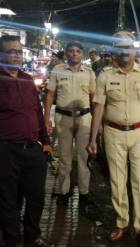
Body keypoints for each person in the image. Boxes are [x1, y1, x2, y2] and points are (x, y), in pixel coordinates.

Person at [87, 31, 140, 247]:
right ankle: (121, 222)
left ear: (134, 50)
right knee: (117, 180)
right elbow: (99, 107)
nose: (124, 52)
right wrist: (93, 139)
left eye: (128, 48)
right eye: (120, 48)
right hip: (113, 133)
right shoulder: (105, 75)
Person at [0, 35, 53, 247]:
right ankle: (12, 240)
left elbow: (37, 112)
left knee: (37, 197)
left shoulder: (27, 79)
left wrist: (46, 141)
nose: (15, 56)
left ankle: (32, 237)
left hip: (32, 148)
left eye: (18, 52)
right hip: (6, 149)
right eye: (10, 51)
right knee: (8, 200)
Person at [44, 41, 96, 207]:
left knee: (84, 157)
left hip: (84, 118)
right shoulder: (58, 70)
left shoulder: (89, 72)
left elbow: (94, 99)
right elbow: (50, 95)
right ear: (66, 54)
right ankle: (64, 191)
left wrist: (97, 122)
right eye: (71, 51)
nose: (74, 54)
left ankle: (84, 193)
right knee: (65, 158)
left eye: (78, 51)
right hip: (63, 118)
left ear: (83, 54)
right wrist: (46, 120)